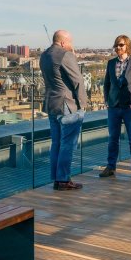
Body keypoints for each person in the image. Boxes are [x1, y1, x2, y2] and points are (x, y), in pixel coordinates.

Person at [40, 29, 89, 190]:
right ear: (62, 42)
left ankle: (57, 178)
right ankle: (63, 180)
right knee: (67, 144)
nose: (71, 45)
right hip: (67, 104)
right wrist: (83, 103)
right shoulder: (65, 54)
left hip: (51, 103)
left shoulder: (44, 55)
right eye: (69, 42)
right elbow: (78, 80)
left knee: (56, 143)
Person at [100, 34, 131, 180]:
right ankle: (111, 167)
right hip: (113, 107)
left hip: (129, 108)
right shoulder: (110, 63)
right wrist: (107, 100)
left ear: (128, 46)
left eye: (121, 45)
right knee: (112, 139)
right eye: (116, 45)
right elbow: (107, 84)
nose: (118, 47)